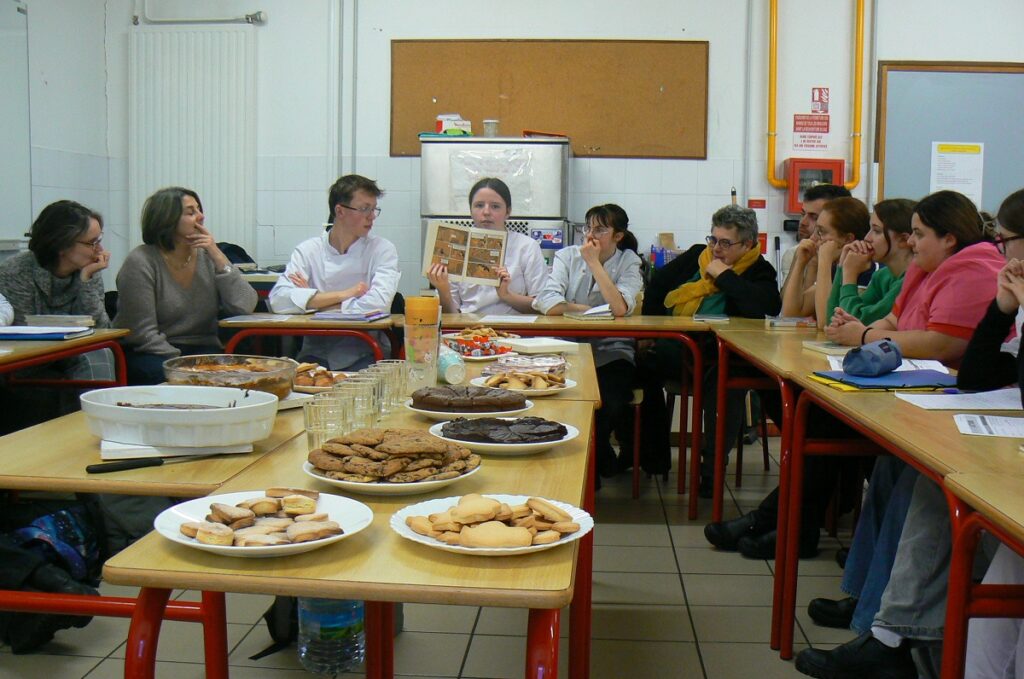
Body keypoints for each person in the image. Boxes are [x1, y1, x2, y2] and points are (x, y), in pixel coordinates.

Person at [795, 189, 1008, 679]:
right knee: (892, 466)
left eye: (917, 233)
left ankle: (886, 628)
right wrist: (862, 329)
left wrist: (864, 335)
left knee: (927, 481)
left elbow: (944, 341)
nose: (907, 242)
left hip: (954, 404)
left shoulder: (977, 269)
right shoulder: (922, 267)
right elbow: (889, 321)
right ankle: (867, 604)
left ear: (949, 237)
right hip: (925, 397)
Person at [638, 204, 781, 488]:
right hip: (676, 348)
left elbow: (766, 307)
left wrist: (725, 276)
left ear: (749, 244)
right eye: (713, 239)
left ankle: (712, 467)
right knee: (636, 366)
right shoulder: (695, 256)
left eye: (726, 243)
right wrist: (648, 332)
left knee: (726, 383)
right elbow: (657, 288)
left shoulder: (759, 270)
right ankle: (651, 458)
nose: (716, 249)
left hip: (722, 354)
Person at [532, 204, 644, 480]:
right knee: (561, 400)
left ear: (618, 236)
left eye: (600, 229)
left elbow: (619, 308)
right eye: (587, 228)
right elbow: (547, 301)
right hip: (567, 348)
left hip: (611, 350)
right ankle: (587, 464)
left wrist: (594, 263)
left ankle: (595, 460)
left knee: (608, 402)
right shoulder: (567, 255)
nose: (590, 235)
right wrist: (586, 311)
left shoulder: (629, 261)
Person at [115, 187, 259, 384]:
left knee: (247, 376)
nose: (201, 217)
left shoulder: (207, 256)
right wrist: (182, 364)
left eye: (199, 210)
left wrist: (217, 254)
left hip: (203, 350)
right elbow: (142, 333)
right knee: (181, 381)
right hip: (153, 352)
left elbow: (245, 304)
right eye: (191, 212)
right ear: (167, 219)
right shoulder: (141, 261)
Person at [269, 174, 400, 370]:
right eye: (364, 209)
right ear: (340, 211)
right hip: (313, 355)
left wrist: (313, 304)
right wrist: (346, 294)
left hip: (364, 353)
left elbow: (377, 305)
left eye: (374, 209)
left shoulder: (382, 249)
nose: (371, 216)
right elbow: (278, 300)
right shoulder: (308, 250)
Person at [0, 200, 113, 427]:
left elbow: (102, 329)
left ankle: (101, 429)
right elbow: (23, 333)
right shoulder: (16, 271)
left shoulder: (89, 267)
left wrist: (86, 280)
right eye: (92, 243)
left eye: (99, 240)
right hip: (32, 359)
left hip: (72, 352)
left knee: (100, 354)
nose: (100, 250)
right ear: (62, 245)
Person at [426, 177, 546, 315]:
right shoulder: (455, 247)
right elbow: (451, 316)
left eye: (495, 206)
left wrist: (506, 295)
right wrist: (443, 290)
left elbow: (542, 306)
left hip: (516, 330)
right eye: (479, 205)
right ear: (471, 210)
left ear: (508, 211)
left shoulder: (526, 246)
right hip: (469, 331)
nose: (486, 212)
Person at [781, 196, 871, 328]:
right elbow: (791, 314)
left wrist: (824, 261)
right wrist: (801, 263)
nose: (814, 237)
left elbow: (825, 322)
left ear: (848, 239)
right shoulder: (835, 268)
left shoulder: (868, 271)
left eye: (821, 232)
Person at [779, 184, 852, 282]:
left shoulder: (857, 263)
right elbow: (787, 297)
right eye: (802, 214)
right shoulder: (794, 254)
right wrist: (801, 263)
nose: (803, 222)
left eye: (814, 217)